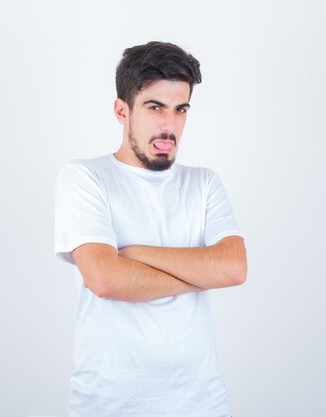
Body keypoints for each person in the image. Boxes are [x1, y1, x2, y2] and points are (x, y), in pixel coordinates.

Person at [54, 41, 247, 417]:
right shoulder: (85, 178)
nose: (168, 125)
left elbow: (235, 269)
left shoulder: (204, 183)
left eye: (180, 110)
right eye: (155, 107)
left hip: (202, 403)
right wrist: (203, 273)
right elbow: (105, 279)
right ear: (121, 111)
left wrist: (134, 255)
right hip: (111, 405)